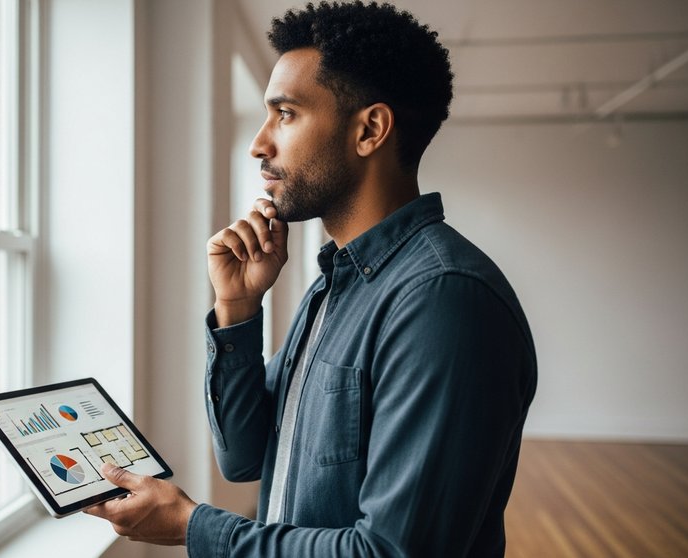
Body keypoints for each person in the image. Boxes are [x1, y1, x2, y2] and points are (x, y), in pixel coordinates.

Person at [86, 2, 537, 556]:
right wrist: (238, 307)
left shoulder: (443, 300)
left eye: (286, 114)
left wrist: (193, 526)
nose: (259, 143)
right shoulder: (335, 283)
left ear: (369, 129)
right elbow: (246, 457)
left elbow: (390, 552)